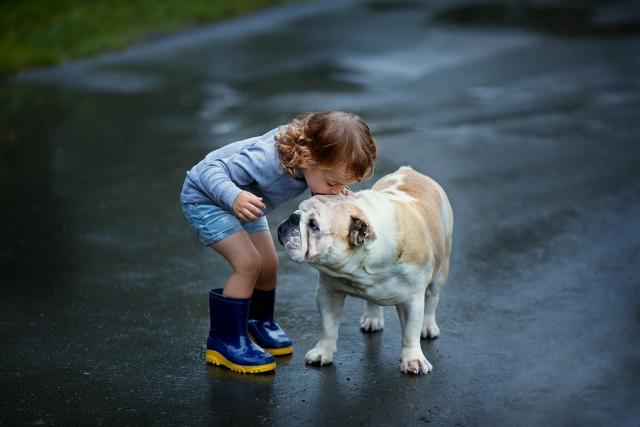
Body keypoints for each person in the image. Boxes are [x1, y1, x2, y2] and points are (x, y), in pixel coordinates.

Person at [180, 111, 377, 374]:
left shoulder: (313, 159)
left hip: (246, 203)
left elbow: (325, 180)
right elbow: (207, 171)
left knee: (269, 264)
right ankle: (225, 340)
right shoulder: (267, 161)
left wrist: (337, 190)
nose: (337, 191)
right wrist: (234, 196)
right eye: (333, 183)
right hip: (208, 198)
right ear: (308, 157)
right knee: (248, 263)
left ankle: (258, 321)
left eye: (344, 185)